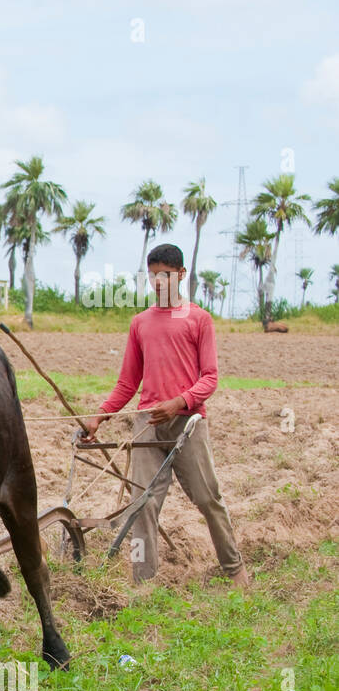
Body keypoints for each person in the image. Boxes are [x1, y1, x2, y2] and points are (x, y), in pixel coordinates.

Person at [81, 243, 250, 587]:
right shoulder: (140, 323)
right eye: (153, 275)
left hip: (187, 424)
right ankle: (144, 584)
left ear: (181, 275)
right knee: (141, 505)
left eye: (165, 275)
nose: (158, 282)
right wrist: (100, 415)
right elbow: (128, 382)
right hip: (148, 423)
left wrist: (179, 402)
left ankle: (236, 573)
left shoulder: (198, 319)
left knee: (208, 500)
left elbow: (210, 378)